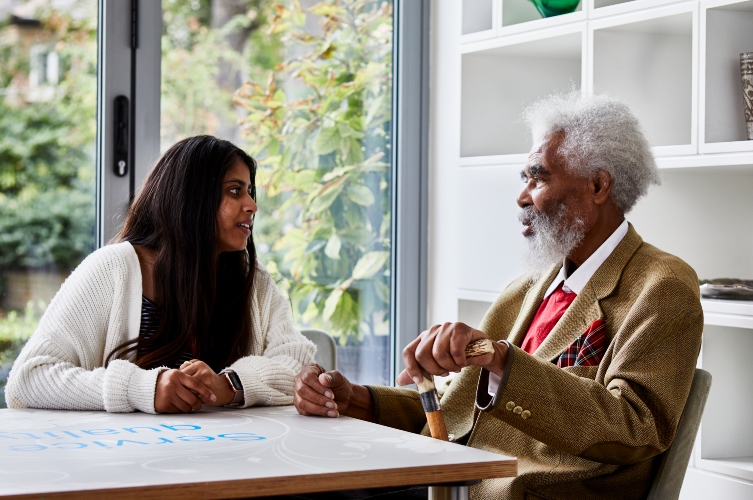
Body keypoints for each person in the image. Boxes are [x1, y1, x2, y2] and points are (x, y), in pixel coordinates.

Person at [293, 92, 704, 500]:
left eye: (538, 177)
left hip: (521, 492)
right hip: (448, 479)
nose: (522, 196)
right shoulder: (526, 288)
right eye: (525, 179)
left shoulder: (662, 287)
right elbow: (457, 410)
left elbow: (636, 427)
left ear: (597, 185)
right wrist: (357, 400)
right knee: (307, 486)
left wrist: (501, 359)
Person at [5, 135, 316, 414]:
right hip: (126, 465)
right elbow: (29, 378)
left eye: (249, 191)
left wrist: (231, 385)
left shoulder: (253, 280)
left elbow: (296, 362)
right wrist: (143, 389)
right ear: (191, 198)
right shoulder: (110, 269)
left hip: (230, 459)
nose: (252, 205)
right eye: (234, 191)